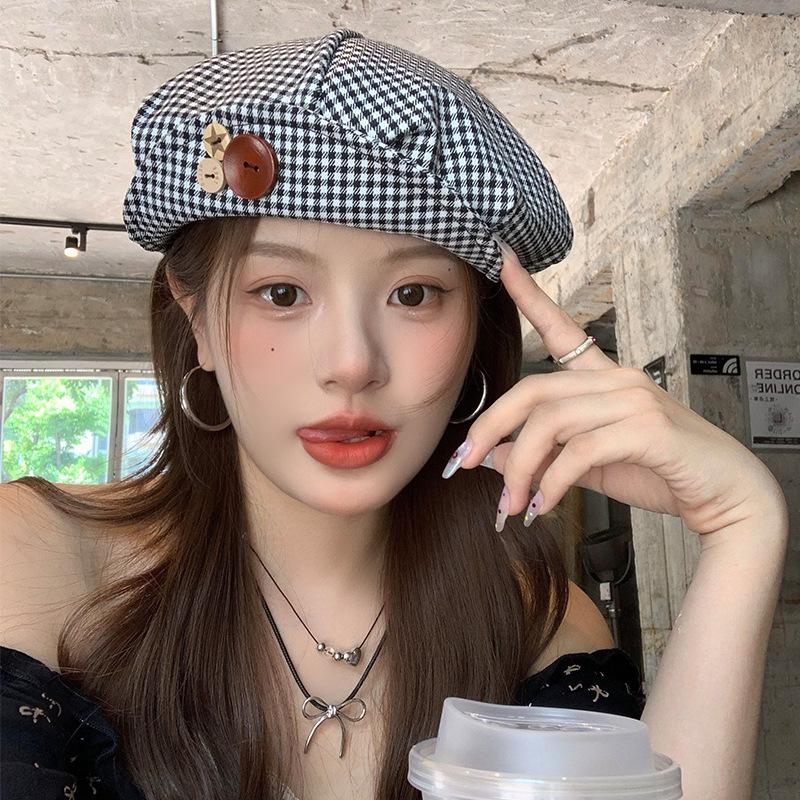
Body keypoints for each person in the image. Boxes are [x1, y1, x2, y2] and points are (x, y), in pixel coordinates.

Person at [0, 28, 788, 800]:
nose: (352, 363)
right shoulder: (36, 560)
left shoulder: (540, 627)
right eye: (282, 293)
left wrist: (743, 526)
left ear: (475, 328)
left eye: (413, 294)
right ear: (197, 316)